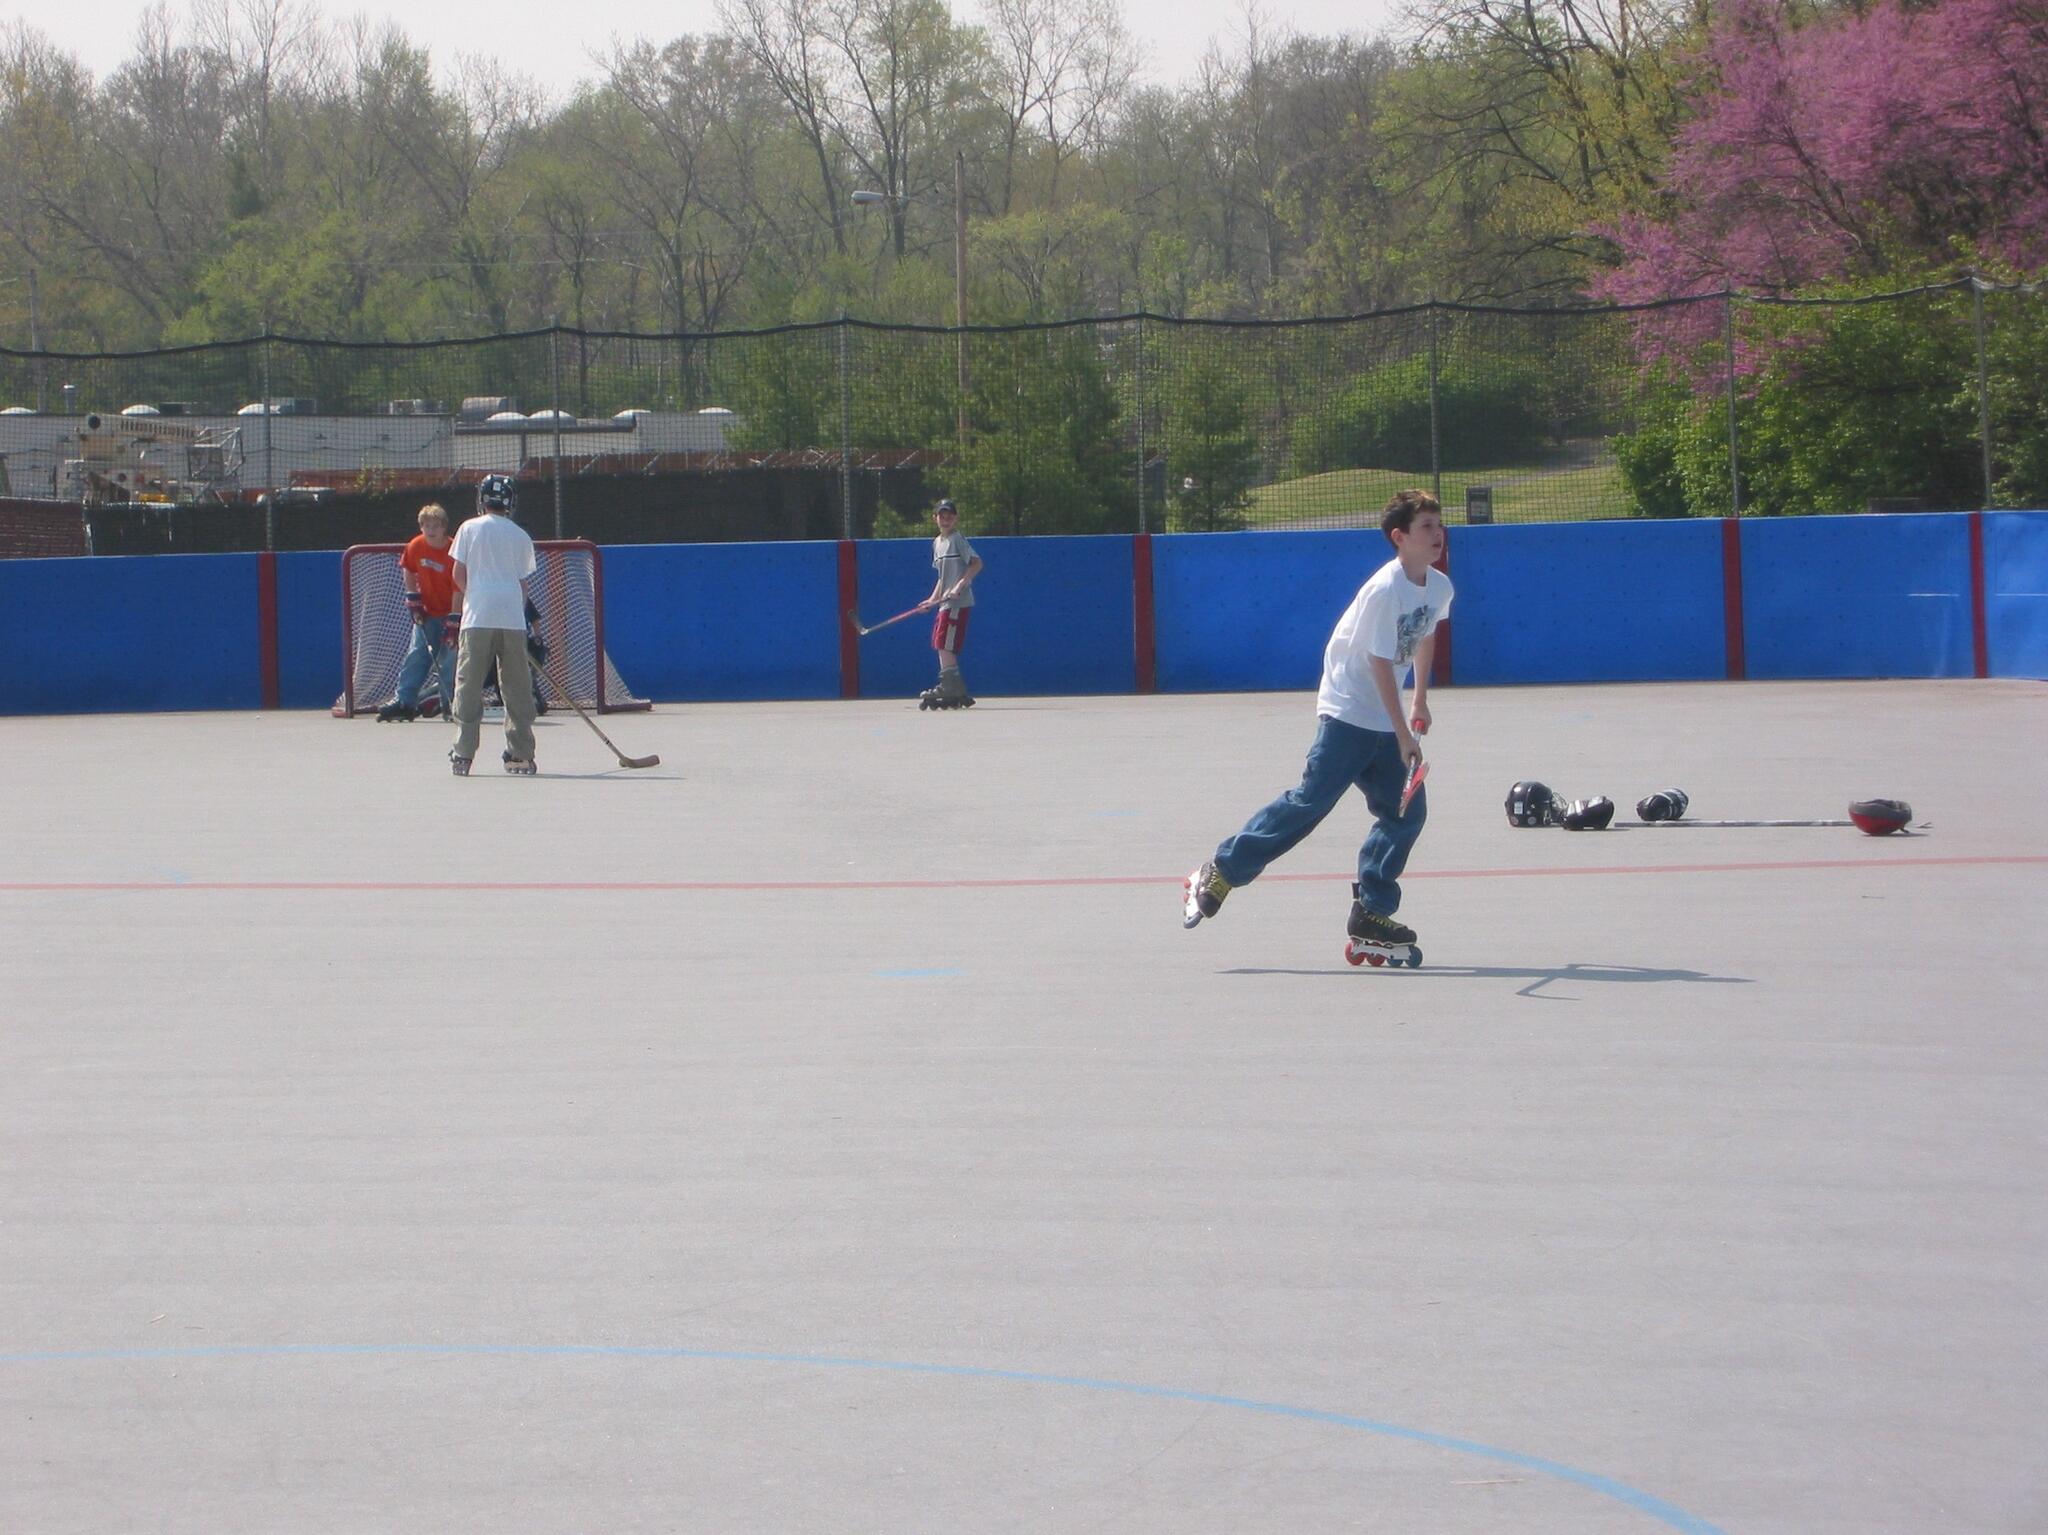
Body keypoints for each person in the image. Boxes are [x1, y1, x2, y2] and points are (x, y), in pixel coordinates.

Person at [1182, 488, 1454, 955]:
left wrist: (1420, 701)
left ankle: (1371, 910)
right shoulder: (1384, 590)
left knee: (1406, 812)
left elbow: (1425, 636)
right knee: (1310, 804)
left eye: (1439, 524)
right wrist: (1404, 735)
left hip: (1387, 719)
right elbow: (1378, 663)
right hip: (1349, 711)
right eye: (1426, 526)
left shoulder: (1440, 586)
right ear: (1399, 537)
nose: (1438, 534)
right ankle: (1221, 869)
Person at [448, 475, 540, 776]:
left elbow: (458, 574)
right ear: (510, 503)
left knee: (470, 683)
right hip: (511, 618)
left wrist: (474, 595)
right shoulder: (520, 535)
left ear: (481, 500)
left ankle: (463, 752)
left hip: (478, 617)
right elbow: (523, 584)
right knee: (516, 686)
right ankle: (521, 753)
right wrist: (515, 613)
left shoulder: (468, 528)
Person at [378, 503, 459, 722]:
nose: (431, 530)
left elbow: (459, 587)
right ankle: (404, 701)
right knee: (417, 654)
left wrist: (455, 618)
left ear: (444, 528)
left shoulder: (454, 551)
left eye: (436, 525)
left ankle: (450, 704)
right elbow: (408, 568)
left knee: (450, 660)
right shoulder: (416, 545)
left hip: (452, 611)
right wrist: (413, 597)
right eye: (426, 525)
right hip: (428, 612)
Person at [917, 498, 983, 710]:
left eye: (950, 516)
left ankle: (950, 686)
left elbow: (976, 563)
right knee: (940, 641)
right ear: (935, 518)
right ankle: (953, 685)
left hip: (957, 602)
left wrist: (959, 587)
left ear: (956, 518)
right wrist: (932, 600)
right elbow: (941, 578)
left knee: (944, 643)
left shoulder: (957, 540)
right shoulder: (937, 543)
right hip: (944, 602)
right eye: (941, 516)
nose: (945, 520)